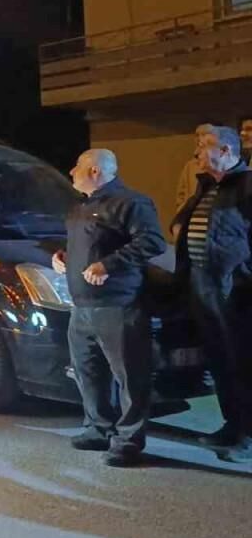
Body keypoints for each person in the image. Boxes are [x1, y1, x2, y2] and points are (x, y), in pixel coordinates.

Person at [54, 149, 165, 467]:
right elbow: (89, 245)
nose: (71, 171)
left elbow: (152, 242)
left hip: (117, 304)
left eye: (77, 165)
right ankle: (98, 428)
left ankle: (128, 440)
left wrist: (108, 265)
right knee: (87, 371)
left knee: (129, 374)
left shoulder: (131, 203)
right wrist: (63, 256)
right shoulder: (81, 207)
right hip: (82, 306)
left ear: (95, 171)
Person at [174, 125, 252, 463]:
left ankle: (247, 435)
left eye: (204, 145)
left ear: (225, 151)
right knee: (220, 360)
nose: (197, 152)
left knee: (243, 362)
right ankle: (232, 425)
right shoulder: (207, 186)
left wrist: (243, 274)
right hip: (203, 285)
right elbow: (184, 222)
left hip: (237, 291)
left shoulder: (246, 186)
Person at [175, 123, 220, 227]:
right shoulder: (190, 166)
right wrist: (180, 217)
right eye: (197, 135)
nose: (199, 138)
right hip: (190, 222)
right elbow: (181, 195)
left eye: (204, 134)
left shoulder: (224, 164)